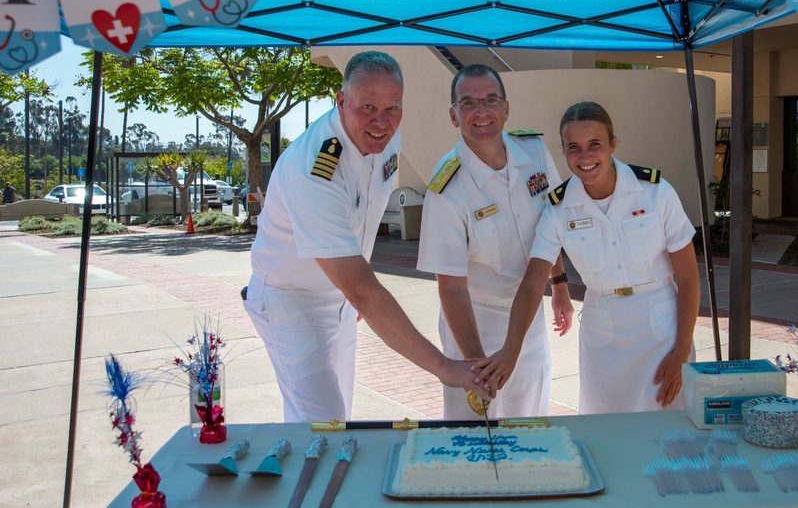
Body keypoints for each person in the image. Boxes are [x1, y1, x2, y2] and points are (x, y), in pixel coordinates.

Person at [243, 50, 489, 423]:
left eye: (393, 108)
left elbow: (363, 215)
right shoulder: (314, 172)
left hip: (339, 295)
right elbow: (363, 289)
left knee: (339, 416)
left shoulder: (388, 139)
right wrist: (443, 367)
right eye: (367, 107)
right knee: (320, 424)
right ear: (341, 102)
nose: (381, 121)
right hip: (289, 299)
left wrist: (353, 296)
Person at [474, 101, 700, 413]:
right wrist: (511, 349)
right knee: (606, 430)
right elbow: (530, 285)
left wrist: (682, 350)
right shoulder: (558, 208)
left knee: (669, 433)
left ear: (613, 144)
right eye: (573, 148)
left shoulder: (655, 193)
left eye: (595, 145)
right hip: (603, 335)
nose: (585, 157)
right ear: (564, 152)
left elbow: (688, 278)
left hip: (661, 332)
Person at [417, 64, 573, 420]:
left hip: (527, 315)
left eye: (490, 100)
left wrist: (559, 286)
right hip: (475, 320)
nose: (481, 111)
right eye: (468, 103)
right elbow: (452, 289)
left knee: (530, 419)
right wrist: (475, 366)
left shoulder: (533, 152)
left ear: (506, 108)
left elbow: (549, 226)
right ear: (454, 116)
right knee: (475, 431)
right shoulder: (447, 188)